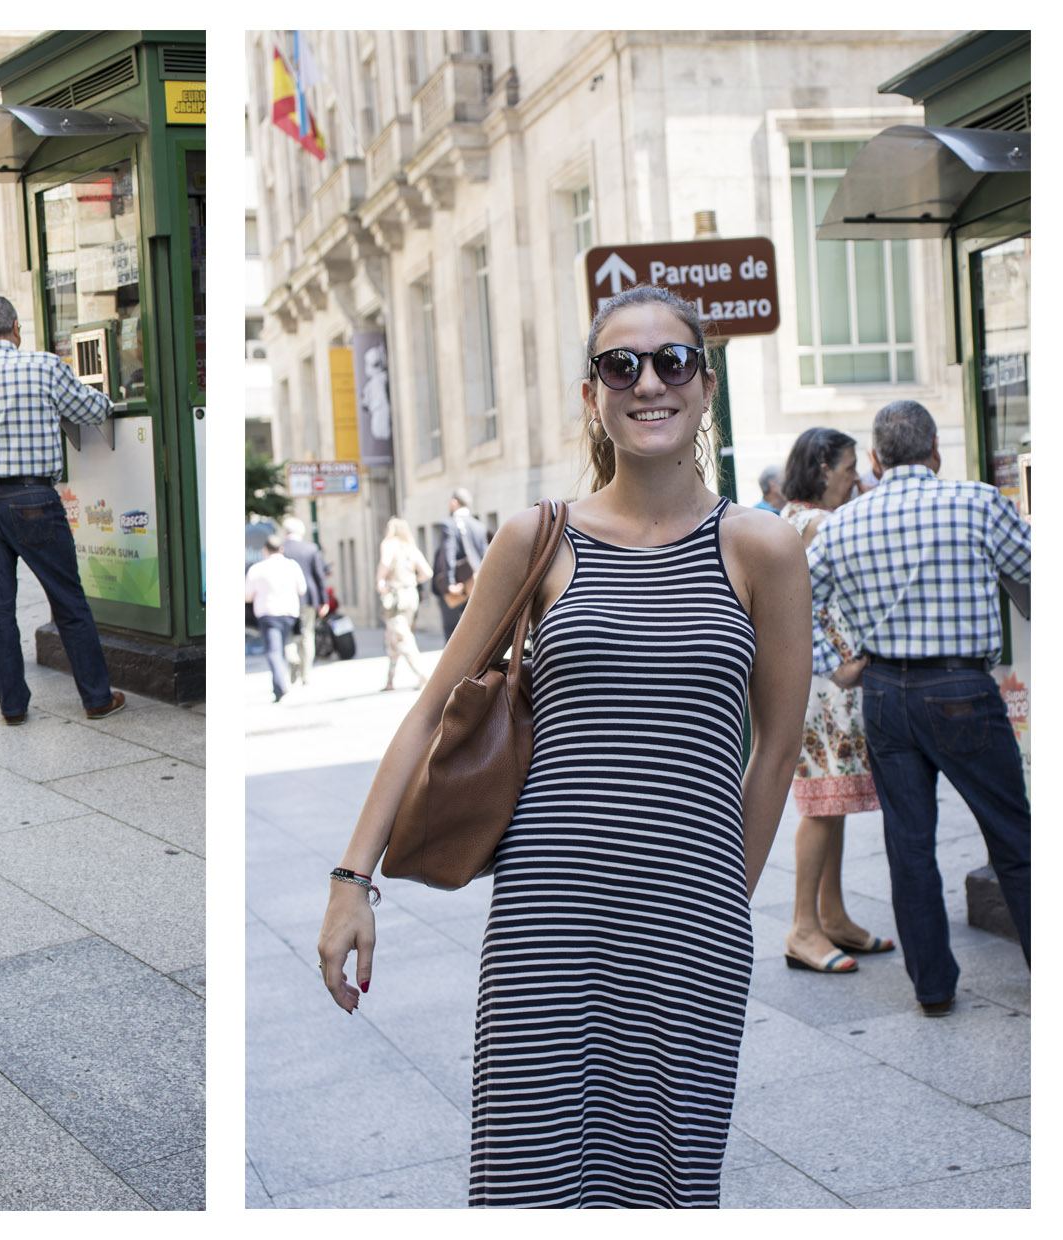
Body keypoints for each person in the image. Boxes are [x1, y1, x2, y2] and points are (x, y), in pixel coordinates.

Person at [317, 284, 811, 1207]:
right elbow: (429, 713)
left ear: (704, 386)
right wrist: (351, 884)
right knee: (528, 1179)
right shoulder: (537, 539)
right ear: (592, 395)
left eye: (671, 361)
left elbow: (776, 752)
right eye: (620, 365)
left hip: (690, 924)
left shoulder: (762, 548)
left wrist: (720, 898)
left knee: (666, 1184)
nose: (647, 382)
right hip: (547, 915)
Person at [806, 399, 1030, 1018]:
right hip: (961, 689)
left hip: (882, 693)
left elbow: (794, 599)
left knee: (909, 845)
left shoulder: (844, 524)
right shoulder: (977, 502)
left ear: (876, 460)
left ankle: (933, 989)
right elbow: (1035, 569)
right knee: (1013, 837)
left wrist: (836, 663)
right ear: (935, 451)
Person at [0, 295, 125, 726]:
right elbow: (91, 409)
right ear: (16, 328)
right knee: (68, 601)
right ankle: (96, 697)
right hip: (34, 500)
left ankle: (13, 707)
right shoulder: (43, 366)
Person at [776, 428, 890, 975]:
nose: (856, 476)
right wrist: (842, 661)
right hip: (826, 685)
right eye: (848, 467)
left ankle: (833, 915)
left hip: (817, 682)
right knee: (822, 805)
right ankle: (803, 927)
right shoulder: (820, 523)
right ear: (823, 468)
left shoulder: (791, 518)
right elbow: (808, 608)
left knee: (831, 800)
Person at [245, 532, 308, 703]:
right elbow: (302, 589)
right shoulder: (292, 566)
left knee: (273, 650)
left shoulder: (257, 568)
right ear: (281, 549)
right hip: (289, 613)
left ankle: (280, 686)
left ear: (265, 550)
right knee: (282, 645)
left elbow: (247, 596)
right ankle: (289, 664)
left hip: (268, 614)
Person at [375, 517, 432, 692]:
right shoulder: (410, 547)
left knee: (401, 636)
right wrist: (413, 580)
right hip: (411, 595)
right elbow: (427, 572)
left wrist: (380, 581)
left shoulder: (389, 544)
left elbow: (384, 565)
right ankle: (390, 680)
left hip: (396, 596)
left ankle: (424, 675)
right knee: (393, 637)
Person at [432, 488, 489, 640]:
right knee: (473, 631)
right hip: (474, 585)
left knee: (451, 633)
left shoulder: (448, 525)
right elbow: (485, 556)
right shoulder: (479, 526)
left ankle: (453, 664)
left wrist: (450, 583)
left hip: (456, 586)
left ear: (454, 502)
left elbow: (448, 555)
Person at [279, 515, 328, 686]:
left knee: (290, 635)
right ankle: (306, 673)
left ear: (285, 531)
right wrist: (324, 601)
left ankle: (293, 658)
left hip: (285, 599)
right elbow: (319, 576)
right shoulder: (310, 548)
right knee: (308, 634)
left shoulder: (280, 549)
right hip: (308, 598)